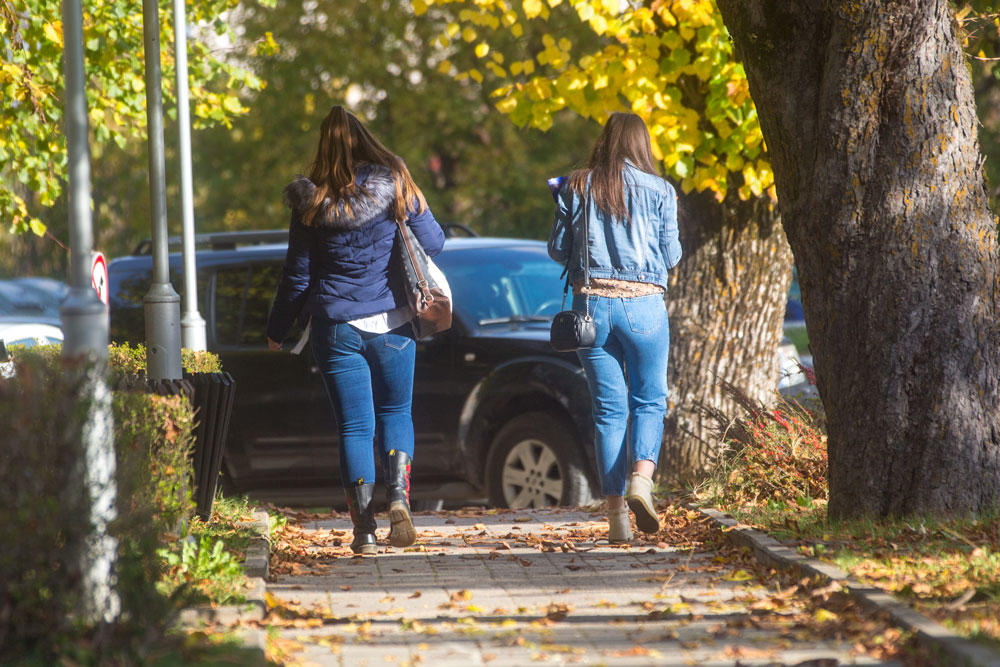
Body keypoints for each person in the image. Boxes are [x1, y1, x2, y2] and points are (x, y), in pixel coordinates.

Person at [266, 106, 445, 555]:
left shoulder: (311, 203)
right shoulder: (396, 182)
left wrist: (277, 328)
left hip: (336, 327)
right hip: (393, 323)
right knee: (396, 413)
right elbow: (435, 242)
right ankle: (399, 497)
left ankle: (364, 531)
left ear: (322, 147)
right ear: (364, 139)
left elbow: (297, 276)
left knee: (354, 428)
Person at [548, 112, 682, 544]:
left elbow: (557, 251)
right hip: (645, 307)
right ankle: (641, 480)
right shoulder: (661, 190)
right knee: (649, 400)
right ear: (642, 144)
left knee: (609, 411)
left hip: (593, 309)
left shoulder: (576, 186)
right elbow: (672, 256)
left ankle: (616, 518)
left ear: (604, 141)